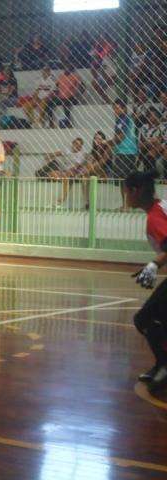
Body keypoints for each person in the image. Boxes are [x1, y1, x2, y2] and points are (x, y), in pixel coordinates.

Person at [124, 171, 167, 392]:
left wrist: (154, 265)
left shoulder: (155, 217)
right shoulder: (161, 207)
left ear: (135, 191)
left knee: (144, 318)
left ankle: (164, 366)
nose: (125, 197)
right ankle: (161, 364)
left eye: (125, 192)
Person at [110, 99, 139, 208]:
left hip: (125, 152)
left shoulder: (123, 119)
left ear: (124, 108)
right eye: (114, 109)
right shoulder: (127, 119)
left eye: (117, 108)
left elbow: (120, 137)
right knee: (124, 180)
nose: (115, 111)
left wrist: (107, 142)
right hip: (127, 152)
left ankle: (126, 205)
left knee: (124, 180)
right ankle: (125, 204)